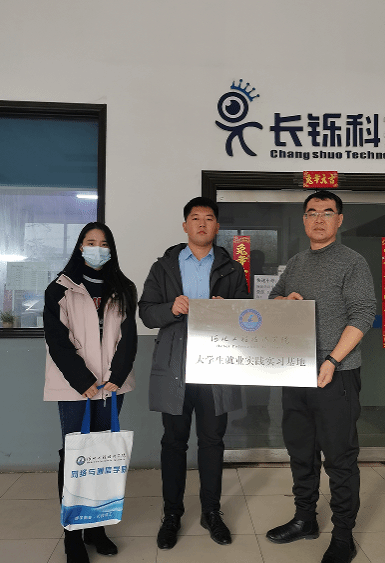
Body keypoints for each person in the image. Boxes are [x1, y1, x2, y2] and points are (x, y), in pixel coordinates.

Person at [266, 190, 376, 563]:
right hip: (296, 372)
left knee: (340, 458)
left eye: (327, 212)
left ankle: (343, 535)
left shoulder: (352, 261)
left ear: (339, 220)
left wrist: (331, 360)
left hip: (336, 375)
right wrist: (284, 302)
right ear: (304, 219)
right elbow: (273, 300)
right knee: (301, 452)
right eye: (312, 212)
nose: (318, 218)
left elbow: (363, 313)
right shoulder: (296, 262)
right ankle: (305, 519)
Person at [139, 196, 248, 550]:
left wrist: (229, 310)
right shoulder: (164, 267)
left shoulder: (232, 269)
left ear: (217, 226)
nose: (202, 223)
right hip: (176, 366)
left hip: (216, 366)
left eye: (209, 218)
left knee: (213, 442)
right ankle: (172, 514)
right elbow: (146, 313)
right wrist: (171, 308)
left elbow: (248, 317)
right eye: (195, 218)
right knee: (173, 442)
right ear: (185, 225)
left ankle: (211, 512)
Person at [43, 222, 137, 563]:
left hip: (111, 385)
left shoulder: (124, 287)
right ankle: (72, 535)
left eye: (103, 243)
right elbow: (57, 340)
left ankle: (96, 529)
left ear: (111, 249)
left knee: (101, 457)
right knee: (76, 457)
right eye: (90, 242)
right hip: (75, 387)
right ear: (80, 247)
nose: (97, 248)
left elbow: (129, 336)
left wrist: (117, 375)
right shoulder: (60, 288)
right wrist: (82, 380)